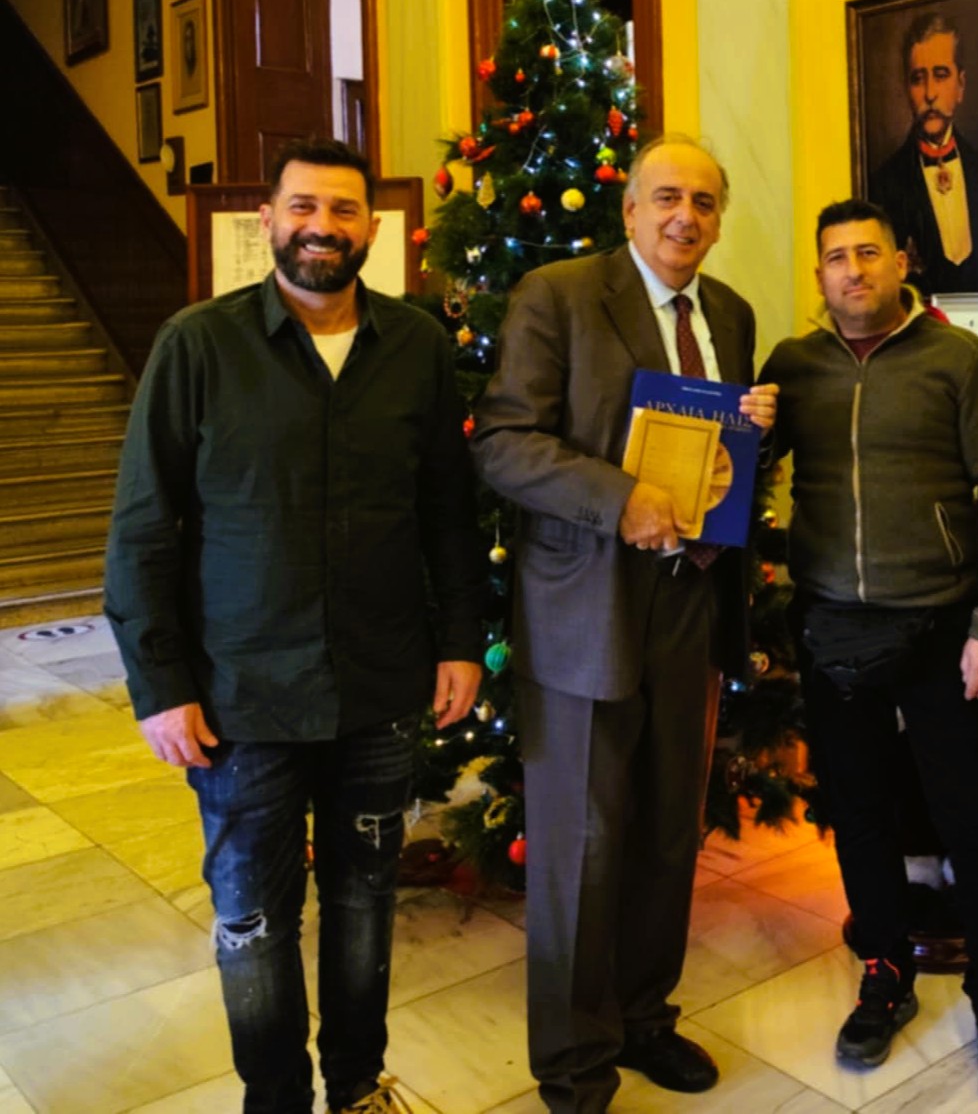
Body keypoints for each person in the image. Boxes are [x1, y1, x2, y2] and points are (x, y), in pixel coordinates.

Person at [104, 136, 486, 1114]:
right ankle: (274, 1101)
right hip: (243, 696)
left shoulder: (418, 347)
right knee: (253, 920)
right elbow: (143, 525)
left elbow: (448, 511)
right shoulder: (199, 344)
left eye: (344, 209)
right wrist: (160, 684)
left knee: (363, 903)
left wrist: (459, 641)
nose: (323, 226)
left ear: (372, 228)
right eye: (304, 207)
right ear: (268, 220)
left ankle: (356, 1086)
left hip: (379, 682)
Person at [471, 135, 778, 1113]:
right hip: (586, 611)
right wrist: (618, 498)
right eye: (667, 197)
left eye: (704, 201)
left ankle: (646, 1017)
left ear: (718, 220)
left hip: (692, 603)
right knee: (582, 845)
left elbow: (725, 458)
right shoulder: (558, 296)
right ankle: (574, 1066)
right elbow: (504, 444)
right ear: (631, 209)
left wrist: (756, 430)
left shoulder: (729, 313)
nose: (686, 216)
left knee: (665, 831)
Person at [761, 198, 978, 1096]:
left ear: (900, 261)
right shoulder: (792, 366)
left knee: (975, 824)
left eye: (868, 252)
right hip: (833, 627)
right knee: (860, 817)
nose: (853, 269)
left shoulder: (958, 359)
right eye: (836, 256)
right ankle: (883, 973)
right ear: (819, 274)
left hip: (943, 631)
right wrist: (747, 430)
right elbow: (739, 475)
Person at [867, 11, 978, 298]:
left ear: (961, 85)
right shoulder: (885, 184)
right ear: (907, 89)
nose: (930, 93)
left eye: (941, 75)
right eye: (918, 79)